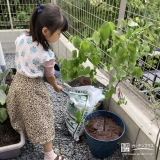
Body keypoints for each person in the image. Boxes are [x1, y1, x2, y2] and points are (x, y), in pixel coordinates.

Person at [6, 3, 68, 160]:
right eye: (59, 33)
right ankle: (49, 154)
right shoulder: (47, 55)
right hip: (33, 89)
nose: (60, 36)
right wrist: (55, 86)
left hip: (18, 82)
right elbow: (50, 76)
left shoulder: (21, 39)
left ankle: (25, 131)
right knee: (42, 118)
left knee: (22, 110)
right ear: (45, 31)